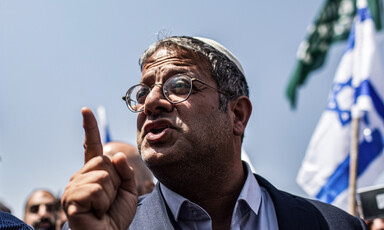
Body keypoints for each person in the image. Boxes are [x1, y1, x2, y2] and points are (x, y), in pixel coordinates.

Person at [61, 36, 368, 229]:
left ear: (237, 114)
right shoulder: (99, 227)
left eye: (178, 85)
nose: (151, 103)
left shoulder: (335, 224)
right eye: (142, 93)